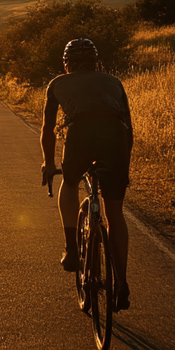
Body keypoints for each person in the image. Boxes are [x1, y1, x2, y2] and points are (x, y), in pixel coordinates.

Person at [40, 37, 133, 309]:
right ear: (96, 63)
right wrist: (123, 165)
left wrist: (49, 163)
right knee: (114, 213)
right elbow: (128, 128)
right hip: (115, 139)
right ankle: (122, 283)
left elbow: (48, 129)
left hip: (80, 136)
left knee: (69, 184)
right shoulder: (114, 82)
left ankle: (72, 250)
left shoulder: (57, 83)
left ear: (66, 64)